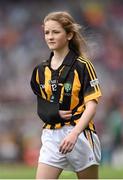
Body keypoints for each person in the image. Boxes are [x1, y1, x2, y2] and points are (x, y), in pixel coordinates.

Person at [30, 11, 102, 179]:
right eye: (47, 32)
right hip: (51, 136)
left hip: (80, 135)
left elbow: (92, 105)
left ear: (69, 35)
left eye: (56, 32)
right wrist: (53, 113)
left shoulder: (83, 66)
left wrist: (74, 133)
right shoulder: (40, 71)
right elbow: (42, 105)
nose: (50, 37)